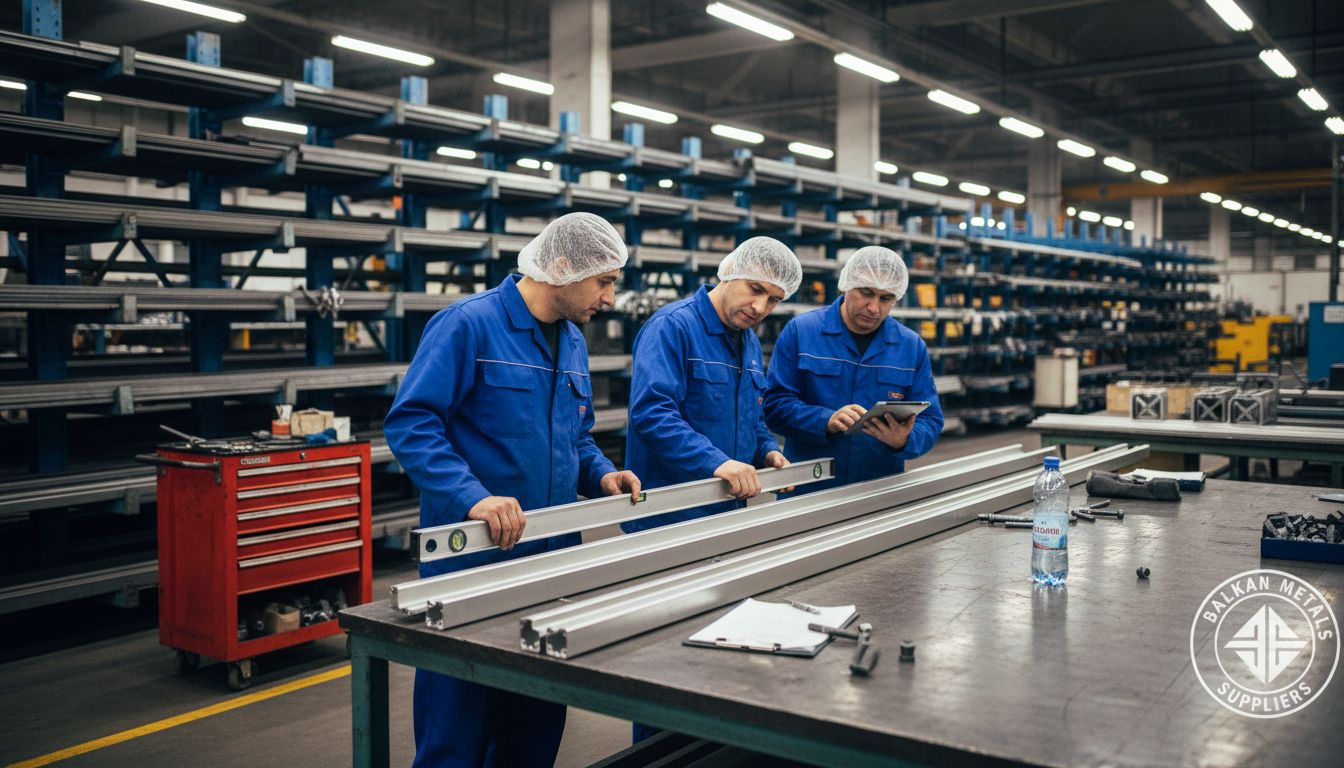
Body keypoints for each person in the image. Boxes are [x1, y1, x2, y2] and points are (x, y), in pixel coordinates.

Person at [384, 212, 642, 768]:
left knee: (534, 725)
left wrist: (601, 473)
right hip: (472, 561)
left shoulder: (571, 340)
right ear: (564, 267)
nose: (611, 298)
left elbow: (574, 434)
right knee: (457, 727)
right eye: (605, 281)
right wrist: (473, 496)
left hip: (549, 562)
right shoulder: (468, 325)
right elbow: (412, 423)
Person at [623, 236, 802, 531]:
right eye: (755, 289)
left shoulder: (750, 342)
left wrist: (767, 451)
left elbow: (751, 418)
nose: (759, 307)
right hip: (670, 515)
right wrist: (715, 462)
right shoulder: (672, 326)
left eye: (773, 300)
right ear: (729, 271)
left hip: (727, 509)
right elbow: (652, 414)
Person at [764, 246, 943, 494]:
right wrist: (824, 420)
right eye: (866, 293)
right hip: (809, 486)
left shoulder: (910, 346)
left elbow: (931, 420)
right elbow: (774, 406)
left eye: (886, 298)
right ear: (847, 285)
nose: (873, 307)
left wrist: (905, 440)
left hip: (880, 488)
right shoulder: (801, 332)